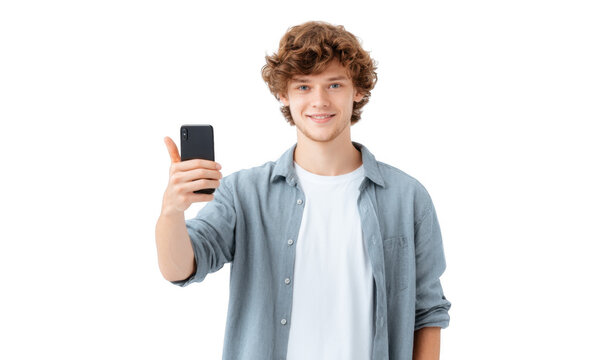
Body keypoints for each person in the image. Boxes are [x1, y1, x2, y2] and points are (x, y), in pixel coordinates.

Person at [155, 21, 451, 360]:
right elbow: (179, 268)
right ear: (284, 94)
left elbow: (427, 311)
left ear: (358, 91)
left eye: (334, 84)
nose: (320, 101)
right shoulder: (245, 193)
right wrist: (171, 212)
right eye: (303, 87)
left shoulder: (407, 197)